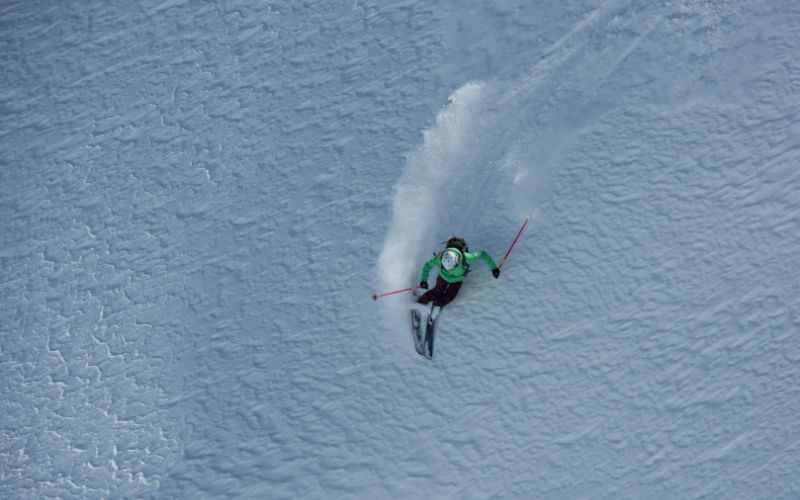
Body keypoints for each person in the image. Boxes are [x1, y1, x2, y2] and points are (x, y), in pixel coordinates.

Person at [417, 236, 500, 310]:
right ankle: (420, 302)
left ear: (457, 261)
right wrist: (423, 280)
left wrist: (494, 269)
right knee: (437, 292)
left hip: (458, 279)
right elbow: (428, 266)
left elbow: (483, 255)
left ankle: (437, 305)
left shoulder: (465, 257)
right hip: (443, 276)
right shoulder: (441, 256)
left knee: (449, 296)